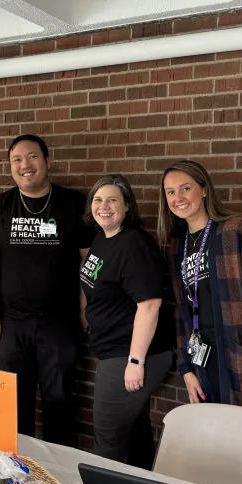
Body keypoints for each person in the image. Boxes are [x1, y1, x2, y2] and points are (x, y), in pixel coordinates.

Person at [0, 134, 93, 447]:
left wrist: (85, 309)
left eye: (32, 157)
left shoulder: (73, 204)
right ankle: (20, 473)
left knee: (59, 399)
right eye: (17, 160)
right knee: (15, 402)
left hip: (60, 321)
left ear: (46, 161)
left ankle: (57, 473)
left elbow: (89, 262)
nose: (24, 165)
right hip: (11, 322)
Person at [157, 159, 242, 414]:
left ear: (204, 189)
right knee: (216, 437)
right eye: (170, 192)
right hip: (204, 361)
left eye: (186, 188)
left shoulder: (237, 230)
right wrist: (186, 369)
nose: (178, 197)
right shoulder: (177, 247)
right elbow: (182, 313)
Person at [80, 174, 174, 468]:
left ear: (127, 205)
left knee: (107, 438)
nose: (103, 206)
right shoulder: (102, 238)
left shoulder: (134, 244)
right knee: (134, 431)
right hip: (113, 348)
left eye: (112, 200)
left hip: (127, 354)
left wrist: (136, 361)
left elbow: (150, 305)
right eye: (97, 199)